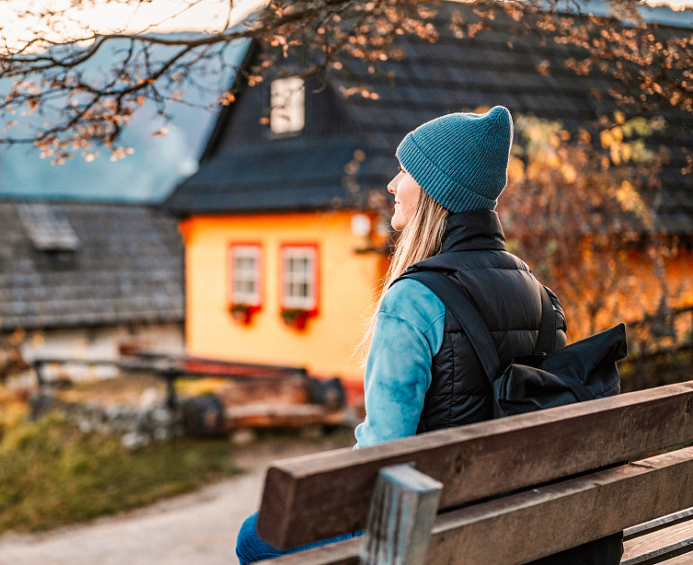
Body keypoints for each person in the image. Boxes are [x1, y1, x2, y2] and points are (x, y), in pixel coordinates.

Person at [236, 106, 622, 565]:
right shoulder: (538, 292)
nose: (392, 186)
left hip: (435, 534)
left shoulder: (414, 298)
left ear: (437, 190)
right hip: (517, 527)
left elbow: (382, 453)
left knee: (252, 538)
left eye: (405, 171)